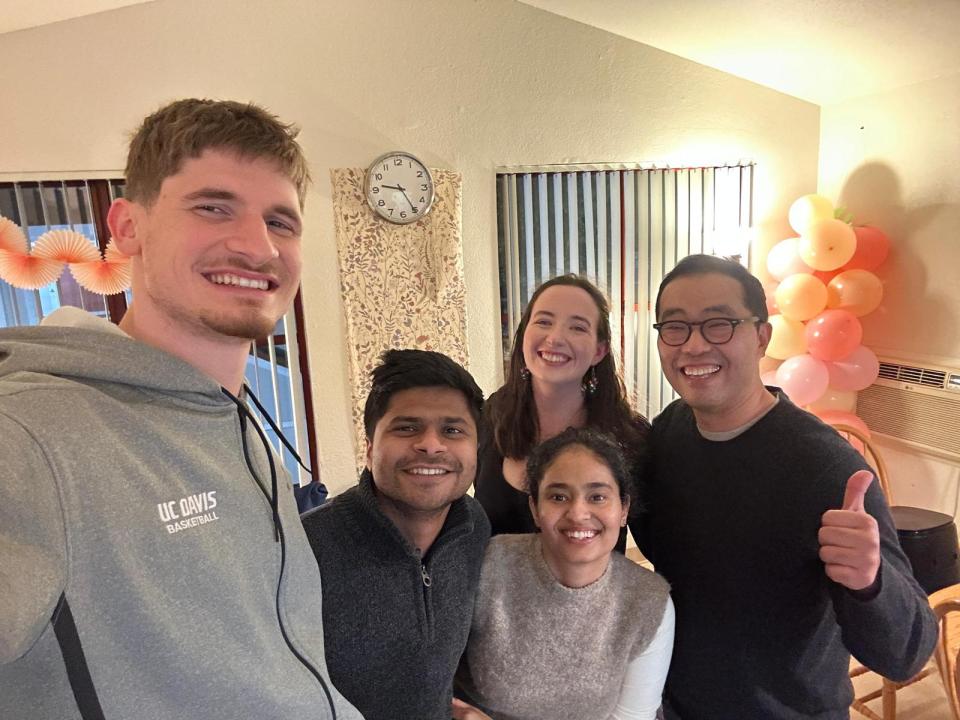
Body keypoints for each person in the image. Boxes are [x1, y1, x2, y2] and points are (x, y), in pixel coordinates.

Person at [0, 99, 361, 719]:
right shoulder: (28, 434)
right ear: (127, 227)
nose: (257, 246)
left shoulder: (232, 419)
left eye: (281, 222)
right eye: (212, 207)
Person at [631, 253, 938, 719]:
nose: (693, 346)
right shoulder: (666, 436)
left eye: (718, 324)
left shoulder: (828, 467)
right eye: (675, 327)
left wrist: (870, 584)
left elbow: (907, 652)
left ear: (762, 336)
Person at [302, 349, 491, 720]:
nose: (431, 445)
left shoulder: (473, 526)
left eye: (452, 430)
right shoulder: (306, 548)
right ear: (369, 447)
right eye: (406, 427)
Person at [456, 427, 674, 720]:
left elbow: (633, 717)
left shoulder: (648, 603)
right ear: (535, 508)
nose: (578, 513)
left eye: (597, 497)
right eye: (558, 497)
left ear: (623, 509)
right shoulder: (488, 567)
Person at [475, 274, 648, 547]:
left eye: (577, 328)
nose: (555, 338)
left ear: (599, 351)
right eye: (543, 322)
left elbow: (661, 545)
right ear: (524, 334)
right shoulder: (490, 416)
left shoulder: (630, 435)